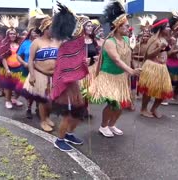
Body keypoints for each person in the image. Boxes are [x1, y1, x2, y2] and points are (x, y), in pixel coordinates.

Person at [86, 1, 141, 137]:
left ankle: (111, 124)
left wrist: (132, 70)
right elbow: (116, 60)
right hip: (109, 76)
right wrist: (131, 71)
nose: (128, 28)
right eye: (126, 26)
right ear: (117, 26)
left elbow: (128, 56)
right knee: (113, 104)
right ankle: (103, 126)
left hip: (121, 77)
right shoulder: (109, 42)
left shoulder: (127, 40)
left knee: (121, 105)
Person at [51, 3, 91, 151]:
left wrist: (83, 63)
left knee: (78, 113)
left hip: (73, 83)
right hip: (64, 83)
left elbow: (75, 60)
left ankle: (68, 134)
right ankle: (59, 139)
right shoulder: (61, 42)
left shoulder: (73, 41)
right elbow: (62, 65)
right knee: (68, 114)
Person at [137, 18, 173, 118]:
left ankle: (154, 108)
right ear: (161, 28)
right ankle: (143, 109)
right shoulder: (153, 39)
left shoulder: (165, 39)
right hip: (152, 66)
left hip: (162, 68)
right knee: (149, 90)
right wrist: (159, 48)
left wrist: (172, 46)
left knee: (164, 91)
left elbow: (167, 53)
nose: (169, 28)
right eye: (167, 27)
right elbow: (148, 55)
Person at [0, 16, 25, 109]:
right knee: (8, 86)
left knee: (19, 86)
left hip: (19, 68)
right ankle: (8, 101)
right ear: (7, 35)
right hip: (8, 69)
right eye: (10, 34)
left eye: (14, 34)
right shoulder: (4, 44)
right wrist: (7, 69)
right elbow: (3, 58)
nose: (12, 35)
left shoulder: (19, 43)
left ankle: (15, 99)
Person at [164, 12, 178, 105]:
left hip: (177, 62)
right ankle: (164, 98)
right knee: (168, 81)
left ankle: (175, 96)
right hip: (169, 61)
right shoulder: (171, 38)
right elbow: (168, 53)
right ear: (177, 29)